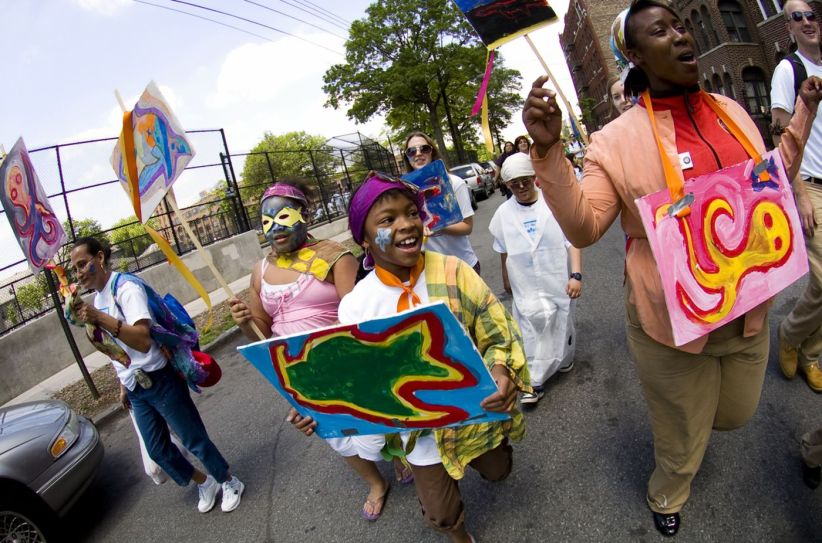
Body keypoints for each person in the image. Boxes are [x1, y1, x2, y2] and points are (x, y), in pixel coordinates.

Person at [522, 0, 822, 536]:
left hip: (749, 316)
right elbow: (585, 227)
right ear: (633, 55)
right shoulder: (611, 143)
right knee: (681, 430)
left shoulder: (731, 111)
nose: (681, 36)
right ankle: (667, 491)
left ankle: (695, 426)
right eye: (661, 31)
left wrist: (803, 112)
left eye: (681, 26)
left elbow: (769, 187)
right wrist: (548, 155)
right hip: (670, 328)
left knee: (734, 414)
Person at [316, 172, 530, 542]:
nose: (406, 224)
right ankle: (459, 534)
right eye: (388, 219)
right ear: (364, 238)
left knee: (498, 470)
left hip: (475, 415)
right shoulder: (356, 306)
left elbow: (496, 329)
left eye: (411, 213)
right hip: (420, 435)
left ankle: (494, 458)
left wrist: (500, 369)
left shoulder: (454, 271)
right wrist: (314, 408)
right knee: (441, 513)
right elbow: (354, 380)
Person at [228, 179, 408, 521]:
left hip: (345, 363)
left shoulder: (334, 258)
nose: (275, 228)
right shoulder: (260, 271)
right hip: (298, 371)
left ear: (304, 214)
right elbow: (261, 331)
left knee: (374, 431)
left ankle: (395, 452)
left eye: (283, 215)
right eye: (266, 222)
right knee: (333, 433)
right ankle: (375, 483)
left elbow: (360, 316)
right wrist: (243, 322)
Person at [69, 236, 245, 514]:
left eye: (82, 264)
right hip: (135, 388)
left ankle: (228, 481)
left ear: (100, 258)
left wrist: (99, 319)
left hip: (160, 378)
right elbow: (118, 349)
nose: (78, 273)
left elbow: (141, 340)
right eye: (75, 269)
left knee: (192, 438)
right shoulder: (99, 298)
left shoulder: (126, 288)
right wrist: (123, 384)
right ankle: (205, 482)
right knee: (157, 450)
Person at [489, 153, 582, 404]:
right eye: (513, 183)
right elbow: (502, 249)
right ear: (506, 185)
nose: (520, 187)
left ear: (534, 178)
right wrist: (505, 278)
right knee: (530, 326)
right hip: (524, 281)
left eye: (525, 180)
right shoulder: (502, 214)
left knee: (562, 319)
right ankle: (534, 381)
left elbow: (572, 239)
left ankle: (564, 358)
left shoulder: (553, 204)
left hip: (557, 277)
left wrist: (576, 274)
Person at [770, 0, 822, 392]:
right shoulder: (789, 70)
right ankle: (790, 333)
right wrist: (800, 193)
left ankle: (809, 353)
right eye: (797, 18)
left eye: (811, 14)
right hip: (812, 186)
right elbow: (780, 133)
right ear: (788, 28)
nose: (807, 22)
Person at [403, 132, 481, 274]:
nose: (418, 153)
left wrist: (438, 227)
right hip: (432, 273)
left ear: (432, 152)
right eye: (411, 151)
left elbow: (467, 227)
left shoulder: (454, 183)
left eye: (424, 149)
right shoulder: (404, 192)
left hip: (463, 267)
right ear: (407, 157)